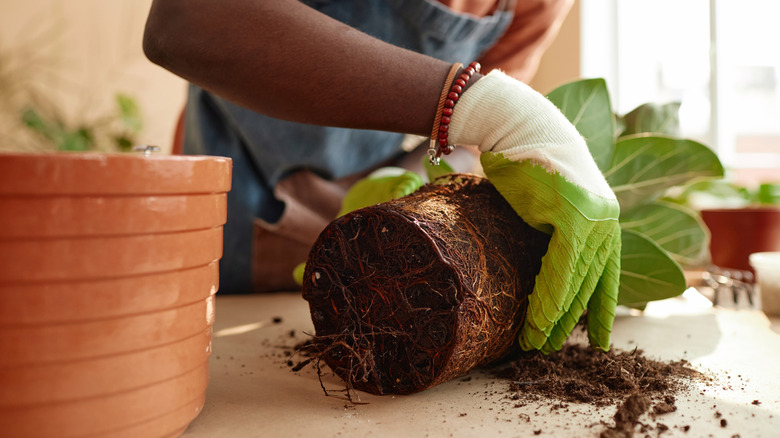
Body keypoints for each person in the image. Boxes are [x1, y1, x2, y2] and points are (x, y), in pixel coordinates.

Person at [143, 0, 622, 353]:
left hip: (385, 259)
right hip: (237, 232)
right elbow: (186, 22)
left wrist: (408, 193)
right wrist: (479, 103)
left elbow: (470, 143)